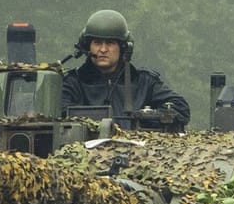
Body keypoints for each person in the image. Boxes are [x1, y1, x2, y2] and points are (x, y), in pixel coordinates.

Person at [61, 9, 190, 130]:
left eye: (110, 43)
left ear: (123, 47)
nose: (103, 49)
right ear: (87, 46)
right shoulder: (73, 83)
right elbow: (58, 113)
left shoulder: (143, 82)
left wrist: (147, 118)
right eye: (97, 43)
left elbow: (180, 107)